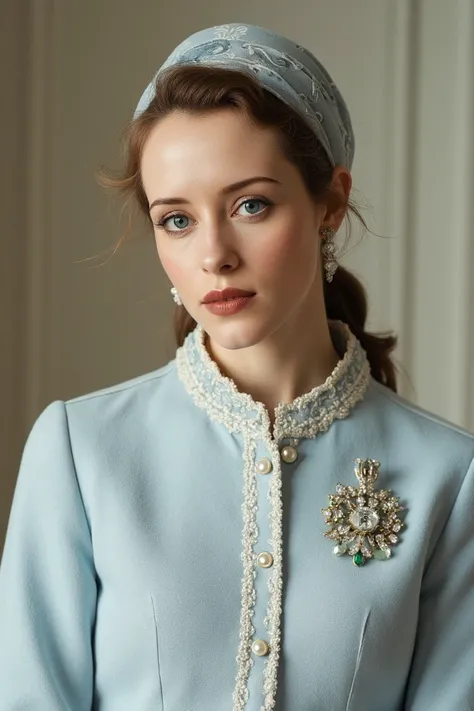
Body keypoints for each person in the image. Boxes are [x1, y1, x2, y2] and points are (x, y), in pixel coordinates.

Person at [0, 21, 473, 711]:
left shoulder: (448, 476)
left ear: (329, 203)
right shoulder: (80, 451)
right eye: (177, 219)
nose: (214, 253)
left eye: (251, 204)